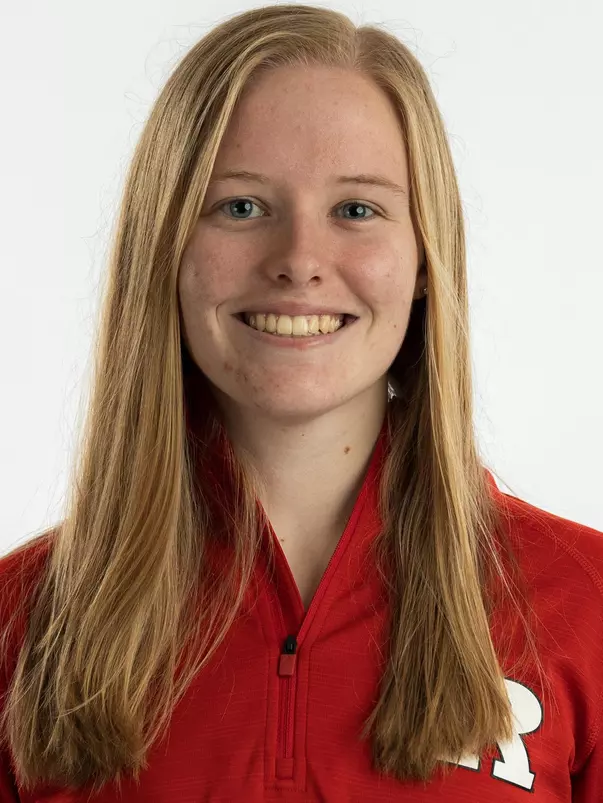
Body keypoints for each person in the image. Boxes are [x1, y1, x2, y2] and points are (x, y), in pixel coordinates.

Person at [1, 4, 601, 801]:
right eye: (240, 206)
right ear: (164, 248)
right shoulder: (19, 623)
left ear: (425, 258)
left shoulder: (586, 604)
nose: (299, 260)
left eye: (356, 209)